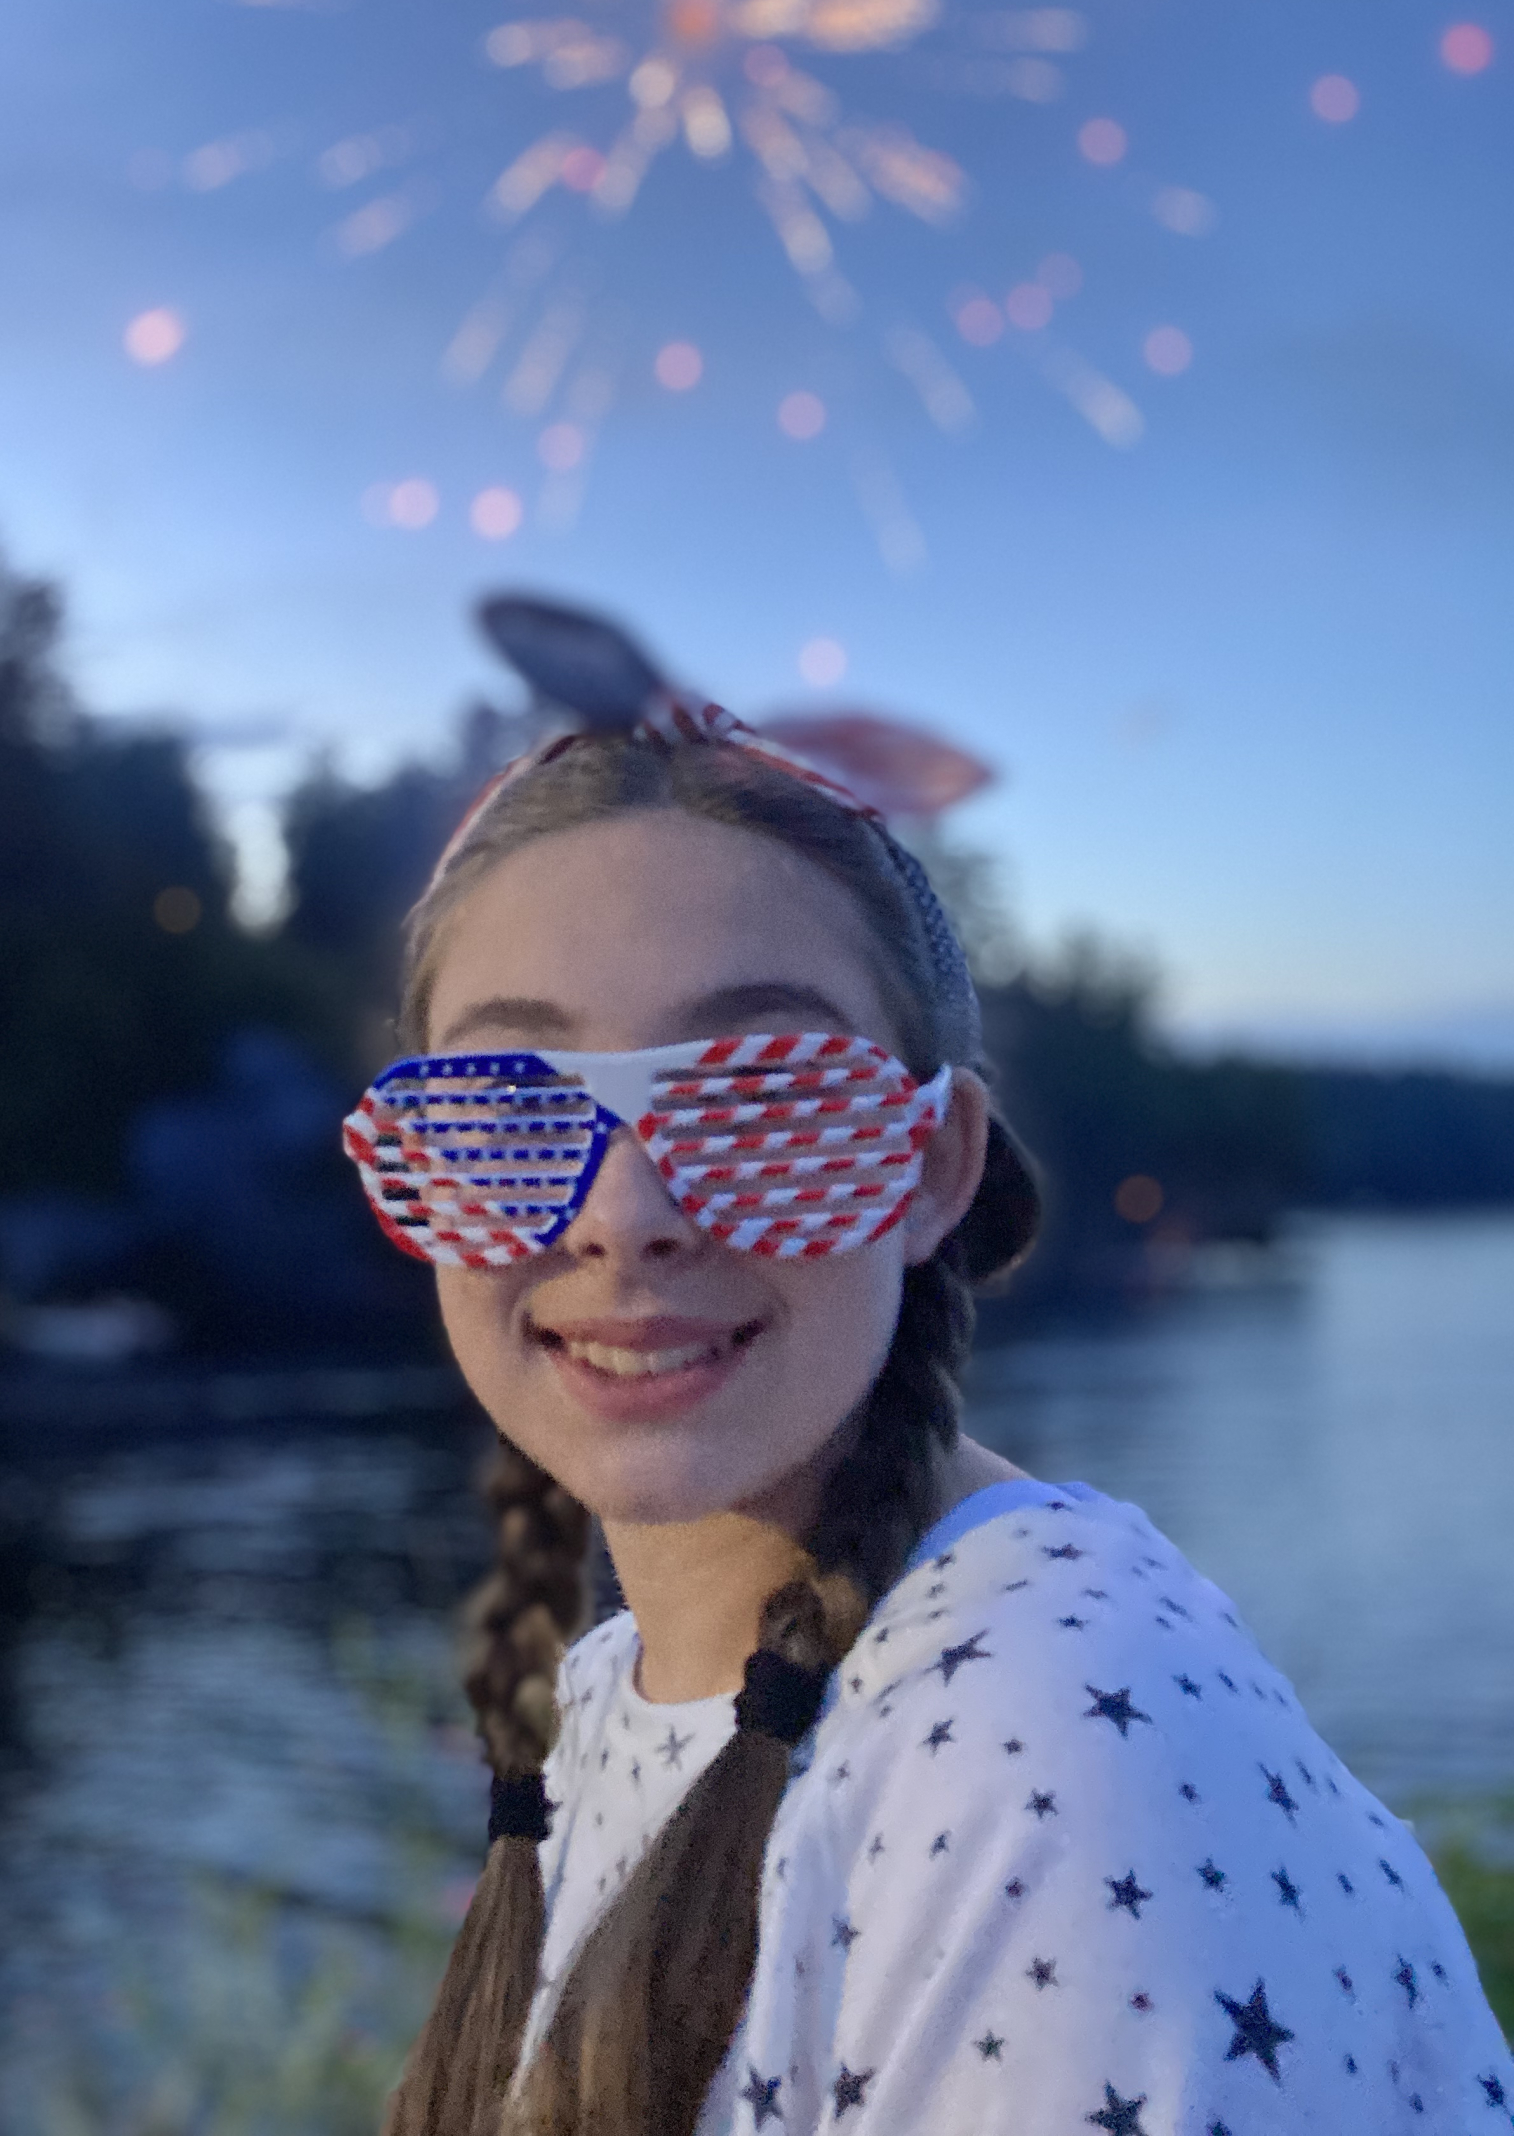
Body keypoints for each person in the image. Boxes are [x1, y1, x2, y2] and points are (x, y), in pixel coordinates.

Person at [342, 703, 1512, 2136]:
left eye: (763, 1101)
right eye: (509, 1109)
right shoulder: (602, 1700)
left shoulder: (1063, 1751)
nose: (622, 1214)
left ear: (931, 1167)